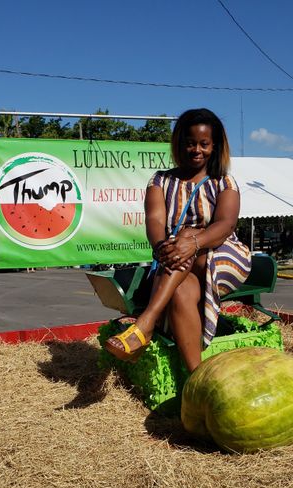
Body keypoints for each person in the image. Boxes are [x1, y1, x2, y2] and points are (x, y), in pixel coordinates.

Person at [104, 108, 251, 373]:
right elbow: (154, 220)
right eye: (190, 143)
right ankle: (196, 377)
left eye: (204, 144)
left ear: (214, 146)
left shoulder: (224, 181)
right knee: (181, 292)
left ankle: (146, 323)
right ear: (179, 143)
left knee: (185, 235)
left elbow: (226, 224)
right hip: (176, 260)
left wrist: (192, 242)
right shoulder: (160, 180)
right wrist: (161, 246)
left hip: (222, 254)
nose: (197, 150)